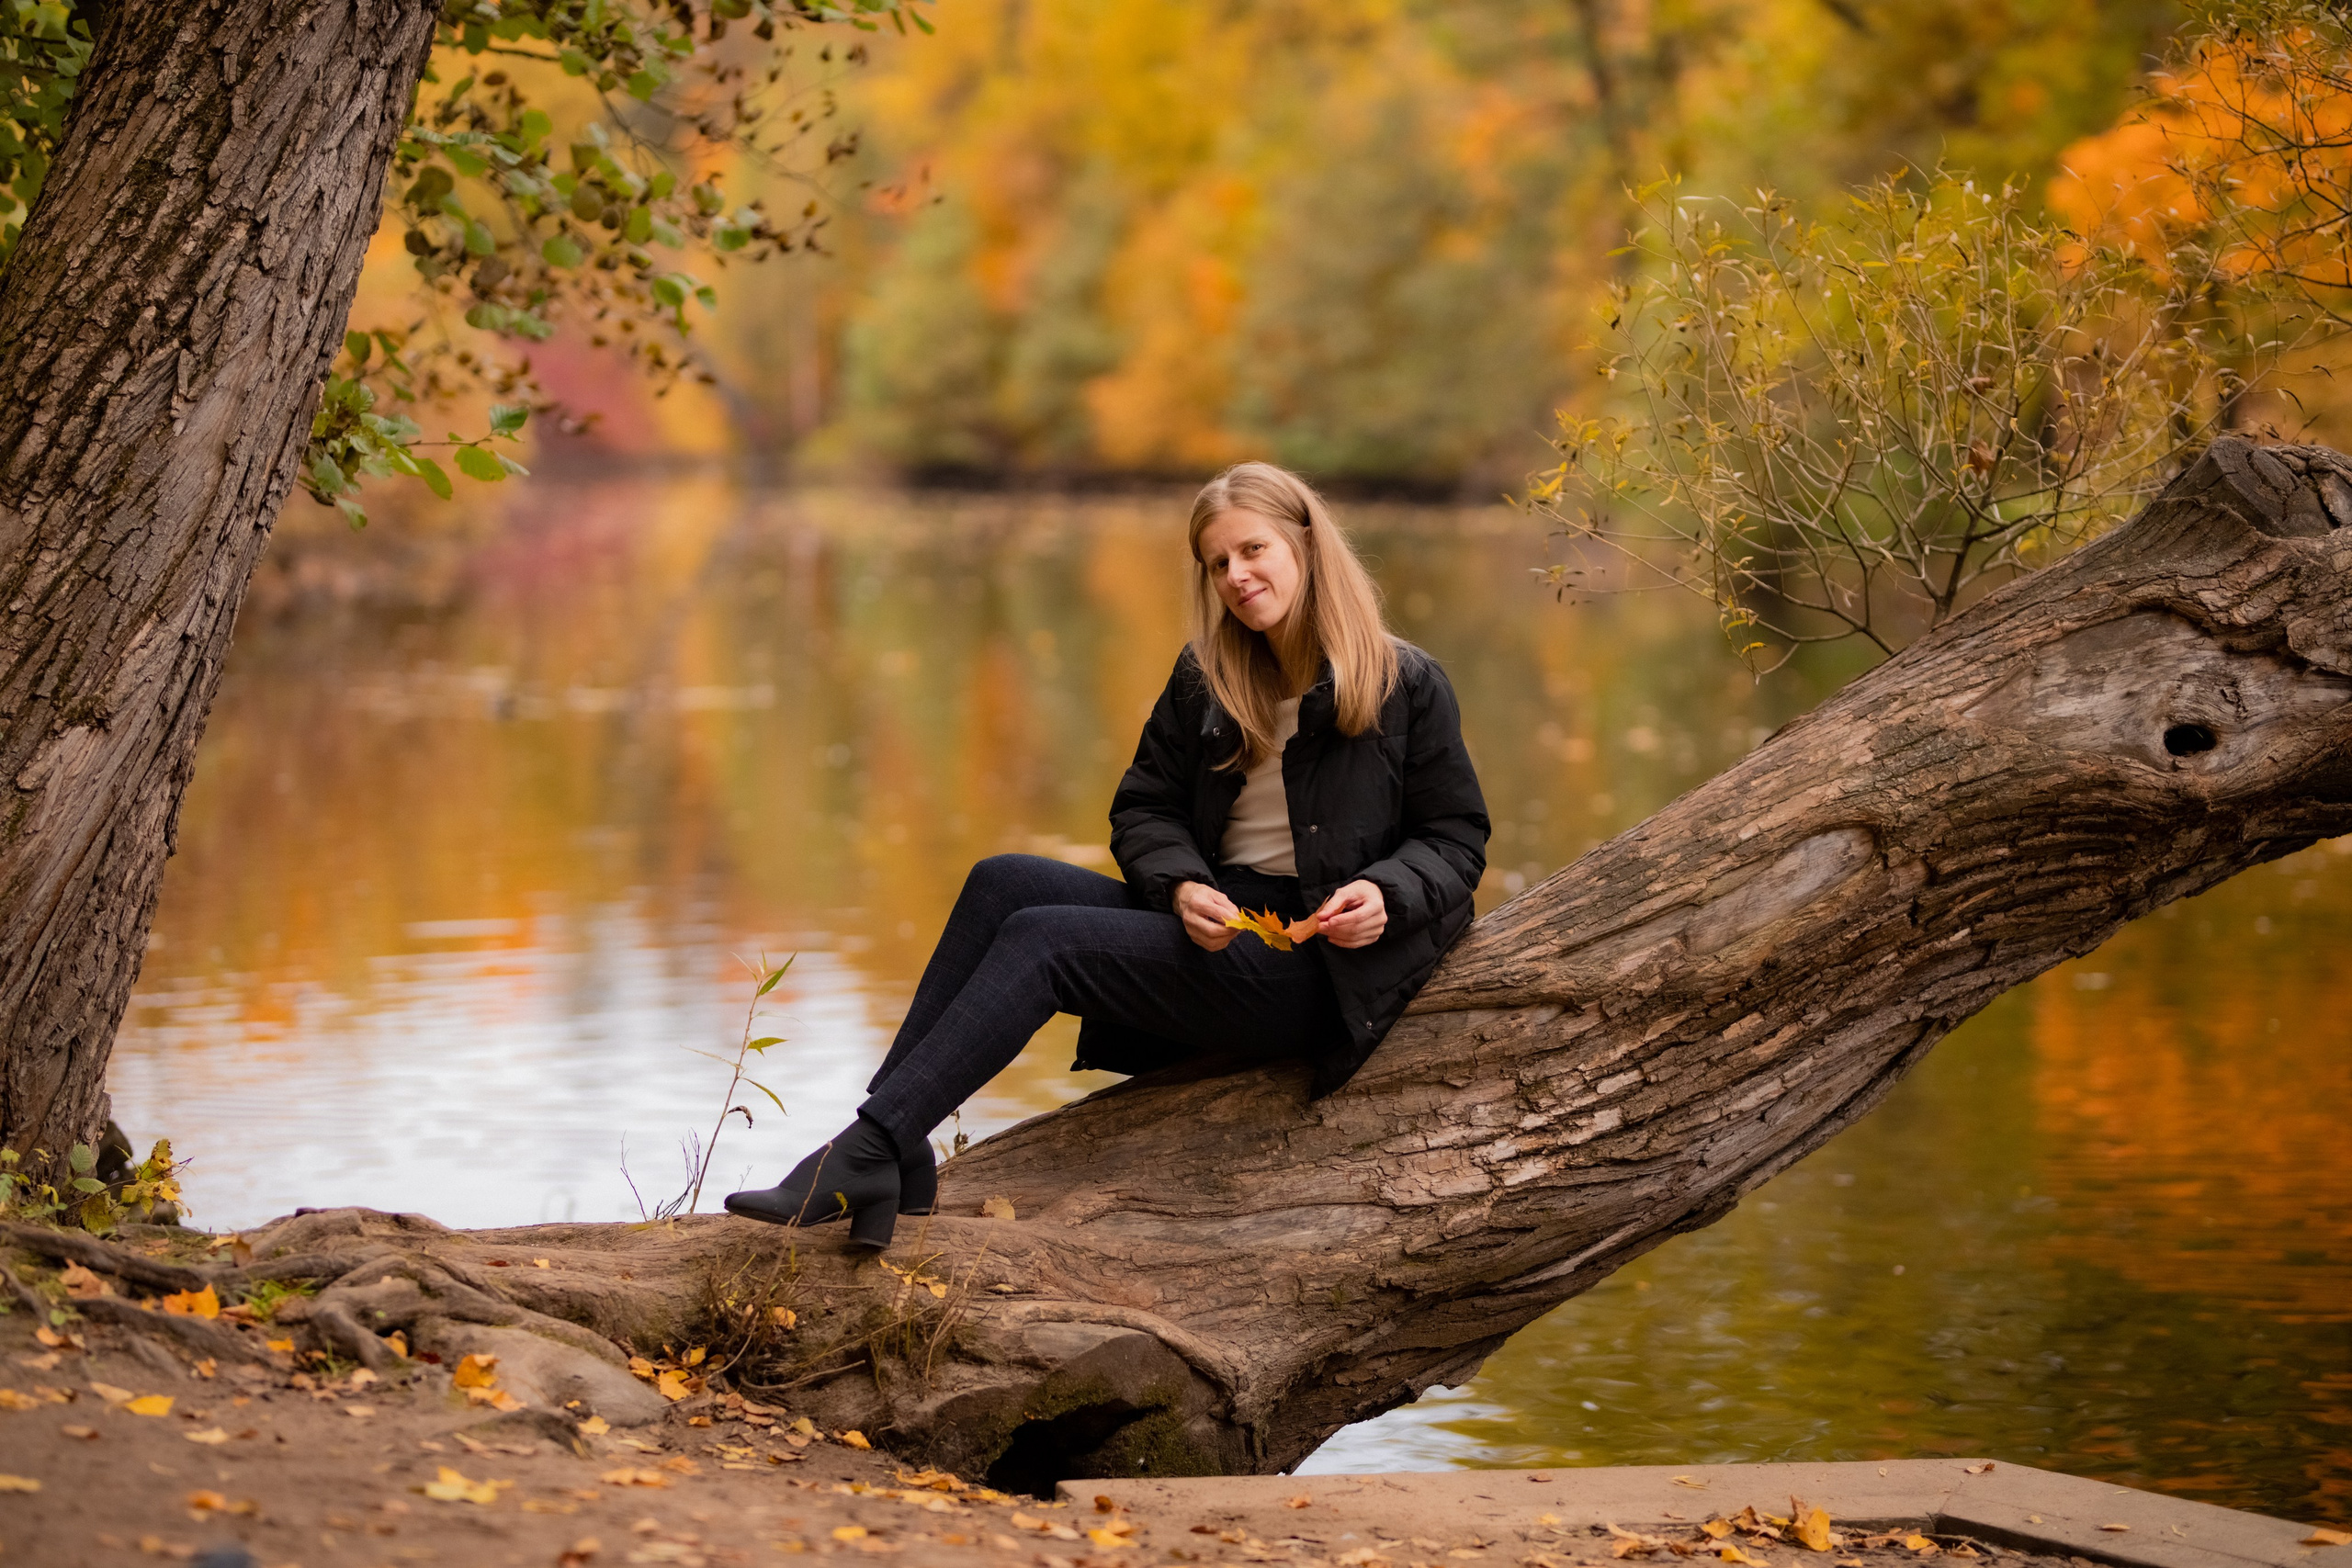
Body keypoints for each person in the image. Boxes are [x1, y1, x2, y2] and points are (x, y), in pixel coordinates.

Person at [724, 461, 1489, 1247]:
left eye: (1253, 549)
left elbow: (1456, 836)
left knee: (1046, 940)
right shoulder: (1209, 678)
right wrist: (1182, 884)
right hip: (1221, 923)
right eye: (1218, 562)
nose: (1237, 575)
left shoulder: (1404, 681)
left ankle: (868, 1148)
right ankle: (894, 1141)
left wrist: (1387, 895)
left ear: (1305, 543)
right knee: (1002, 883)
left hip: (1316, 965)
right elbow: (1145, 807)